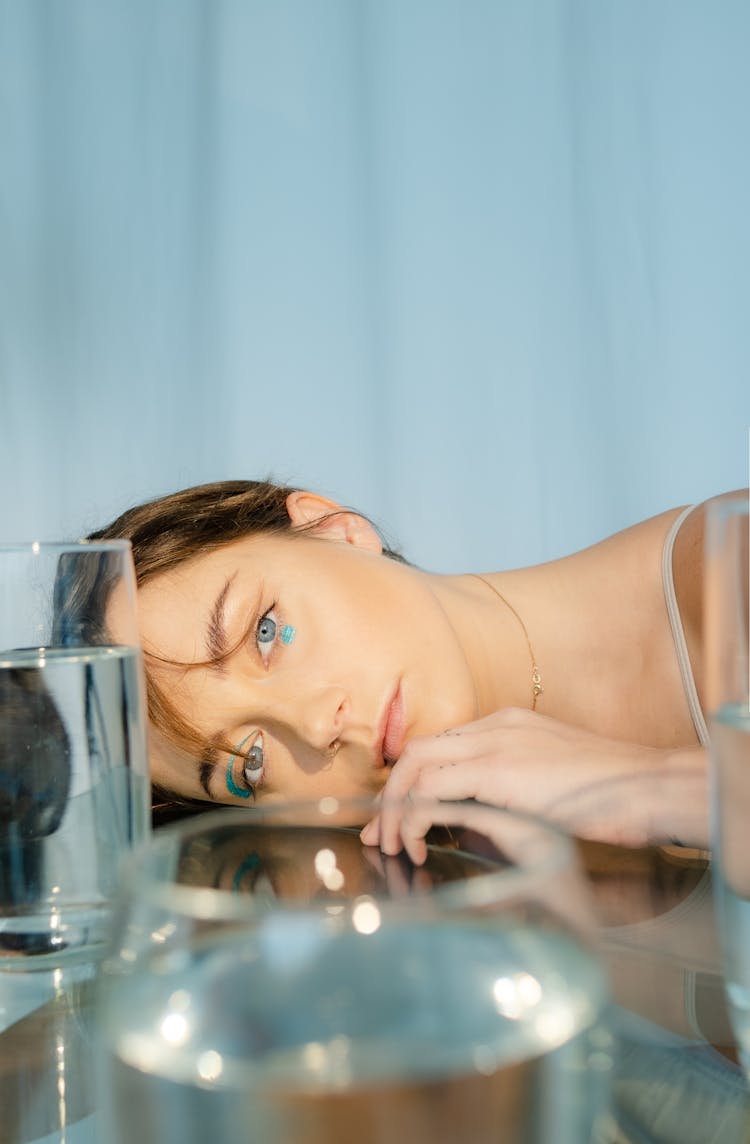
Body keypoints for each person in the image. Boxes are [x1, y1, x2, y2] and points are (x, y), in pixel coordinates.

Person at [90, 478, 736, 859]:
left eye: (264, 634)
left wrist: (662, 789)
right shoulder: (438, 882)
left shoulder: (729, 579)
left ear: (332, 528)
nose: (315, 727)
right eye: (247, 765)